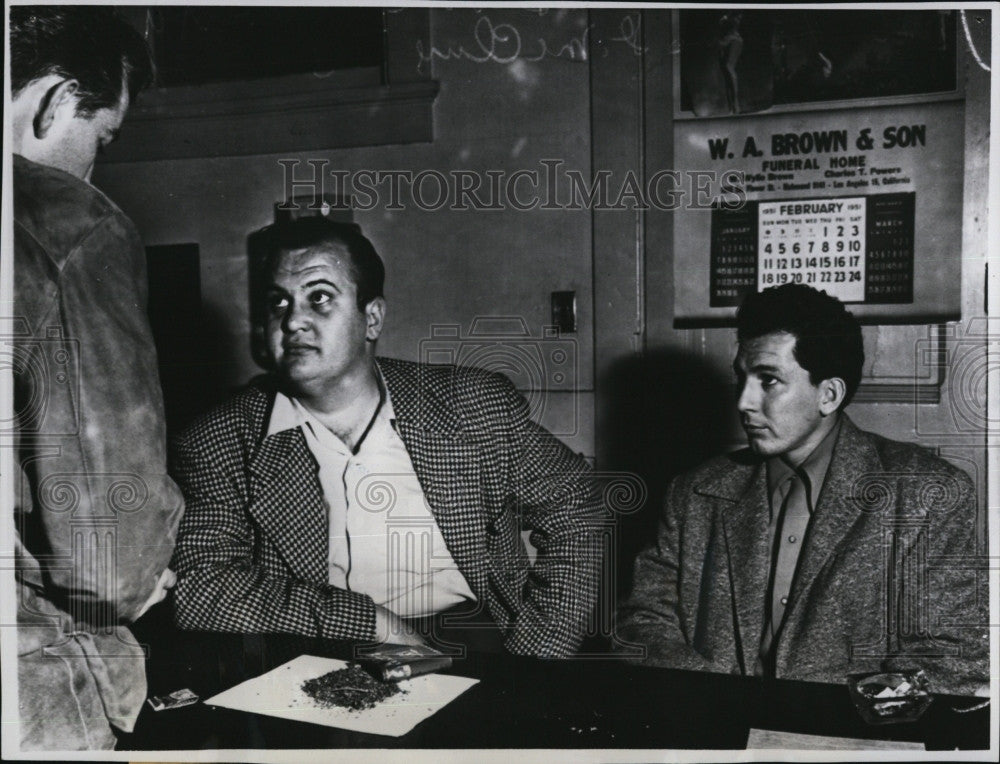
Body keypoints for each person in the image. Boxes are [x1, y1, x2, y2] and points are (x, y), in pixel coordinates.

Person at [171, 217, 604, 659]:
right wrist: (370, 621)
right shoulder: (219, 440)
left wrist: (538, 654)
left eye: (319, 298)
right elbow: (201, 589)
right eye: (278, 303)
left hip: (471, 637)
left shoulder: (470, 405)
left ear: (372, 318)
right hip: (317, 644)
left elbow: (579, 504)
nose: (293, 321)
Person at [618, 284, 987, 695]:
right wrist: (714, 706)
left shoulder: (926, 495)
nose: (743, 402)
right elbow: (643, 621)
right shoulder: (693, 493)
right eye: (742, 379)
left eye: (769, 381)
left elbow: (951, 656)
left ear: (828, 395)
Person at [8, 6, 184, 751]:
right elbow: (104, 556)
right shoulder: (65, 224)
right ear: (52, 99)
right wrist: (140, 576)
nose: (91, 167)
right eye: (100, 139)